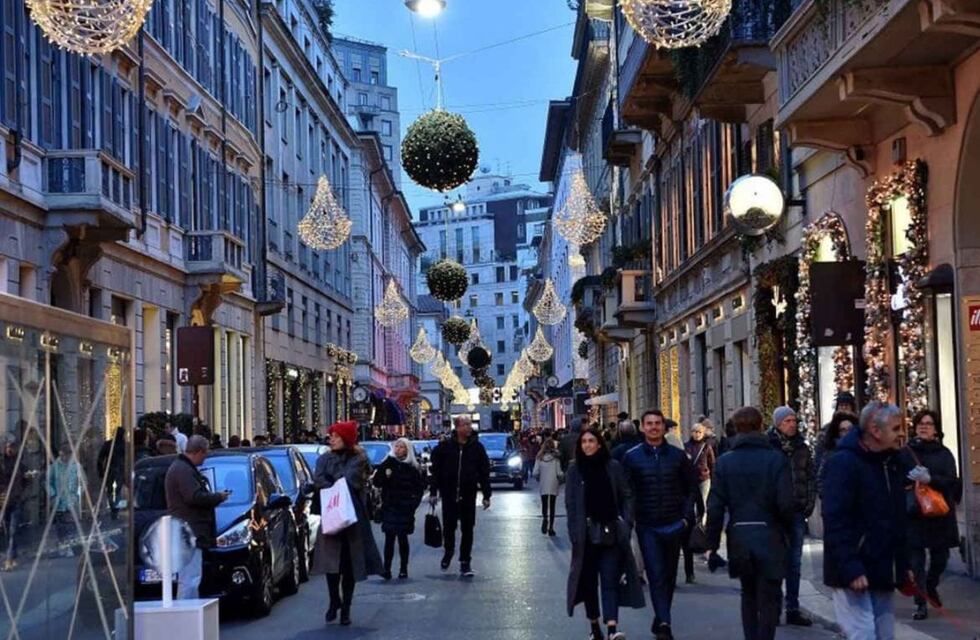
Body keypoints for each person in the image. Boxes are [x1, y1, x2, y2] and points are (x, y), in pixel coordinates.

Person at [822, 401, 912, 640]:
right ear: (875, 429)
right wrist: (850, 566)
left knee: (884, 634)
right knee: (863, 634)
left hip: (882, 566)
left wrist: (903, 565)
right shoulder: (843, 463)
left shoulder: (891, 462)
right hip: (854, 567)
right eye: (896, 428)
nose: (901, 433)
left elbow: (897, 519)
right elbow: (835, 519)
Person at [706, 407, 795, 640]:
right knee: (767, 597)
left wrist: (712, 545)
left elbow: (714, 507)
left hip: (740, 536)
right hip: (770, 533)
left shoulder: (725, 462)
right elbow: (785, 503)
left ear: (736, 428)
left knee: (748, 593)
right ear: (760, 425)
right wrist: (787, 531)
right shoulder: (776, 459)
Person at [622, 409, 698, 640]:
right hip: (647, 525)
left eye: (658, 423)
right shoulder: (632, 457)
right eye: (649, 424)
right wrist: (630, 518)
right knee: (655, 573)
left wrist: (686, 518)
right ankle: (665, 622)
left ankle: (661, 615)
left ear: (664, 427)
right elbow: (627, 492)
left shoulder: (677, 456)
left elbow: (691, 489)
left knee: (669, 576)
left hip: (674, 523)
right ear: (643, 427)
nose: (654, 427)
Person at [565, 427, 645, 640]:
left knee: (609, 579)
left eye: (592, 441)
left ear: (600, 444)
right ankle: (594, 627)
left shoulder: (613, 467)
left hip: (611, 532)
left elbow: (627, 495)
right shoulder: (575, 471)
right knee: (589, 583)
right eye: (584, 442)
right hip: (586, 536)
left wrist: (626, 522)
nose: (588, 445)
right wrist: (575, 533)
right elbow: (571, 505)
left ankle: (612, 628)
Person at [311, 421, 383, 625]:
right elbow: (319, 481)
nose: (331, 438)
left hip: (352, 517)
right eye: (330, 435)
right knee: (331, 563)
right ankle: (334, 600)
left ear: (346, 438)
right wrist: (331, 482)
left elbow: (350, 480)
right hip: (331, 513)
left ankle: (347, 609)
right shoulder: (324, 458)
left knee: (349, 565)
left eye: (335, 435)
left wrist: (331, 479)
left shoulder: (358, 458)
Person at [898, 409, 961, 621]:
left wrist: (930, 479)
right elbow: (897, 480)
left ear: (936, 429)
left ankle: (931, 586)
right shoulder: (906, 452)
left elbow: (952, 482)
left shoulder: (944, 454)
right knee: (916, 562)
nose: (924, 427)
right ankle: (921, 603)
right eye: (920, 424)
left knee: (940, 559)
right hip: (915, 514)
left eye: (929, 423)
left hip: (939, 513)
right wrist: (908, 482)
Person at [164, 435, 230, 598]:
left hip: (187, 529)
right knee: (190, 579)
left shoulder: (181, 468)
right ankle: (186, 616)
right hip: (190, 530)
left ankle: (186, 614)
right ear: (199, 452)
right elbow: (194, 497)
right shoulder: (184, 470)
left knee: (189, 578)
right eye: (205, 453)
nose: (206, 457)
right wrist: (218, 497)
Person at [767, 406, 816, 627]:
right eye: (787, 421)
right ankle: (775, 608)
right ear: (778, 424)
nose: (792, 424)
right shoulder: (768, 447)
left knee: (794, 564)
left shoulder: (802, 448)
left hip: (796, 512)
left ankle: (793, 608)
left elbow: (811, 477)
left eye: (794, 420)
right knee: (776, 562)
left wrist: (808, 504)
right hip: (775, 514)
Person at [428, 416, 491, 577]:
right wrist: (433, 492)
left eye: (470, 424)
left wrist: (486, 494)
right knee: (449, 528)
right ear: (457, 427)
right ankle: (448, 552)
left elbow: (484, 472)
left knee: (468, 529)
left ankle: (465, 562)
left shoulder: (477, 448)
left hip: (468, 494)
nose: (469, 427)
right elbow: (435, 472)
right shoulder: (444, 448)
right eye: (466, 425)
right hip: (449, 494)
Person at [373, 438, 425, 580]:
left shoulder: (412, 467)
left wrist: (413, 504)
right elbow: (377, 481)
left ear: (407, 450)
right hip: (390, 506)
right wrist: (385, 475)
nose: (398, 449)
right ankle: (387, 568)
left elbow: (419, 488)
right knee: (389, 538)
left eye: (402, 447)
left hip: (405, 507)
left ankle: (403, 568)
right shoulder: (388, 463)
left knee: (402, 538)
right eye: (397, 447)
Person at [681, 422, 716, 583]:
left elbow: (712, 464)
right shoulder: (686, 446)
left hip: (703, 479)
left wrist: (713, 480)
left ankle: (701, 527)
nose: (696, 434)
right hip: (689, 483)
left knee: (703, 506)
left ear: (703, 433)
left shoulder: (707, 447)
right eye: (694, 431)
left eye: (699, 432)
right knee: (690, 512)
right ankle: (695, 528)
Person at [0, 436, 32, 571]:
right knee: (6, 531)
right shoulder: (1, 463)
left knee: (13, 530)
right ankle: (11, 555)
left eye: (12, 447)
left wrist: (28, 478)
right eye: (8, 447)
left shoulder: (20, 464)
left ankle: (9, 559)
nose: (10, 449)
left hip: (15, 500)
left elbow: (26, 480)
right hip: (2, 501)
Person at [47, 443, 82, 558]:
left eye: (66, 456)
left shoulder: (75, 466)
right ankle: (63, 546)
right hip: (59, 502)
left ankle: (68, 547)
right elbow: (47, 482)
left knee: (70, 526)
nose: (64, 458)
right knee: (60, 527)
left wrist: (77, 495)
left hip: (71, 501)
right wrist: (52, 494)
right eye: (62, 456)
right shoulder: (54, 467)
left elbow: (82, 482)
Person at [817, 412, 858, 494]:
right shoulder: (831, 454)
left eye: (850, 429)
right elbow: (821, 479)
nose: (847, 433)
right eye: (843, 430)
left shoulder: (862, 452)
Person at [533, 438, 562, 536]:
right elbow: (559, 472)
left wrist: (538, 477)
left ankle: (545, 518)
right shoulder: (556, 458)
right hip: (553, 483)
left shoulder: (539, 457)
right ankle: (551, 528)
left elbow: (535, 472)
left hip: (543, 483)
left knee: (544, 504)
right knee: (552, 506)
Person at [97, 427, 126, 519]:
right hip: (119, 469)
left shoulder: (108, 444)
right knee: (117, 490)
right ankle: (115, 508)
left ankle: (114, 507)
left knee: (110, 490)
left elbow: (100, 458)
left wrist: (101, 471)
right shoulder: (124, 445)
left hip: (110, 469)